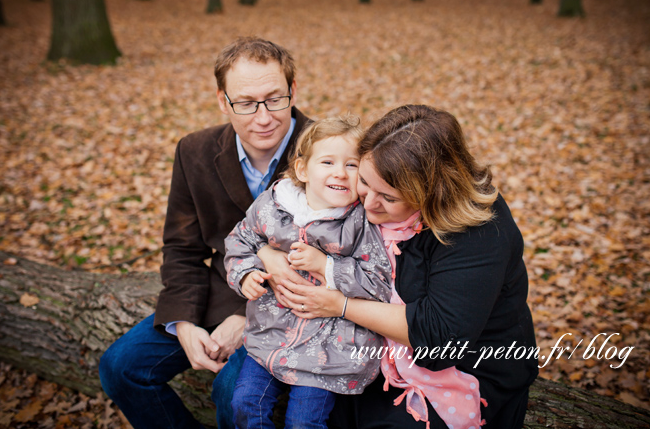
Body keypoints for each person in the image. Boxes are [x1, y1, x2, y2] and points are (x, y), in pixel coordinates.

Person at [264, 105, 538, 429]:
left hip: (460, 366)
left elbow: (439, 336)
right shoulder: (376, 179)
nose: (367, 204)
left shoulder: (480, 234)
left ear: (431, 193)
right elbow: (291, 221)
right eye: (364, 182)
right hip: (375, 348)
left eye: (388, 198)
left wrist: (341, 305)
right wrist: (270, 255)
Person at [98, 37, 312, 429]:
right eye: (245, 103)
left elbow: (345, 255)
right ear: (222, 101)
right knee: (120, 368)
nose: (262, 117)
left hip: (295, 310)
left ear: (293, 91)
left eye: (275, 99)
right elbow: (182, 248)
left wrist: (246, 319)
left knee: (233, 394)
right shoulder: (194, 151)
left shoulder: (326, 152)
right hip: (215, 294)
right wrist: (183, 324)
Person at [224, 116, 394, 429]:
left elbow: (379, 283)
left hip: (328, 353)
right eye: (327, 162)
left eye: (352, 165)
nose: (340, 173)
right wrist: (247, 273)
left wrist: (326, 266)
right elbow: (240, 240)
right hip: (270, 338)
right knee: (244, 404)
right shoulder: (274, 205)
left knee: (304, 423)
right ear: (303, 169)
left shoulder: (361, 222)